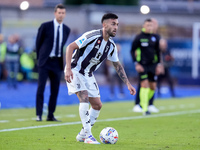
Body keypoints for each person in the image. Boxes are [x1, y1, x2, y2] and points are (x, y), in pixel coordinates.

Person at [64, 13, 136, 144]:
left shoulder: (111, 46)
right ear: (104, 24)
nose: (116, 27)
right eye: (113, 24)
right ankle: (88, 136)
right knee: (84, 98)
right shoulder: (91, 36)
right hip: (75, 70)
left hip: (88, 74)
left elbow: (117, 65)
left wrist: (128, 84)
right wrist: (68, 68)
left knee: (97, 105)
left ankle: (81, 134)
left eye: (117, 25)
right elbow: (70, 47)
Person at [35, 4, 70, 121]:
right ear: (55, 13)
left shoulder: (66, 29)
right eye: (59, 12)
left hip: (57, 63)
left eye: (63, 13)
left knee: (55, 90)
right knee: (41, 88)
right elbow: (38, 44)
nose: (61, 15)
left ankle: (50, 115)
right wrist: (39, 59)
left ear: (65, 14)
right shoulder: (45, 26)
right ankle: (38, 114)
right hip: (45, 62)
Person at [131, 18, 163, 115]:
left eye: (151, 25)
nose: (150, 27)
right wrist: (136, 63)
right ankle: (145, 109)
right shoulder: (139, 37)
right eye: (148, 25)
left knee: (153, 87)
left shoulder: (156, 37)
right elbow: (132, 51)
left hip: (153, 65)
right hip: (142, 65)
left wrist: (159, 65)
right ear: (144, 26)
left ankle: (146, 104)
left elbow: (158, 52)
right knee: (144, 85)